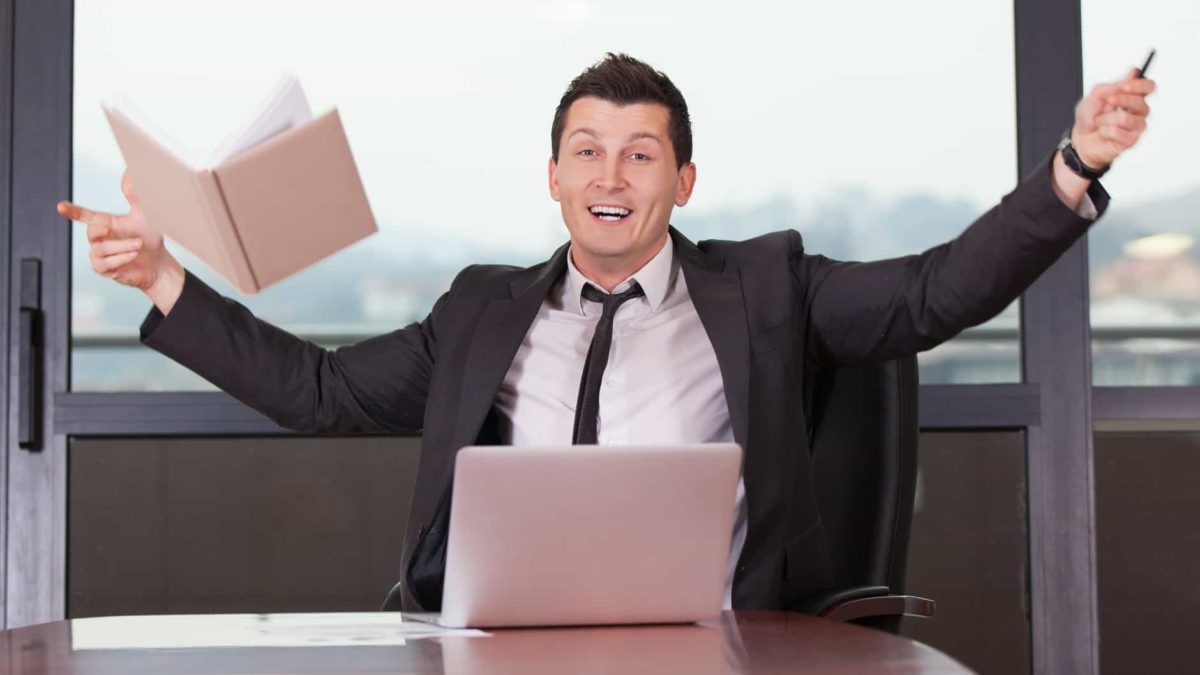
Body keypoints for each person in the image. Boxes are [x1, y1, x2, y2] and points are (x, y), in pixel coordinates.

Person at [56, 53, 1156, 612]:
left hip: (711, 639)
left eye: (640, 153)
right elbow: (323, 392)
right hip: (505, 642)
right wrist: (161, 277)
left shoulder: (765, 289)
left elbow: (934, 294)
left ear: (683, 180)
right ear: (553, 177)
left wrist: (1075, 167)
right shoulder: (481, 310)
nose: (611, 176)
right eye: (586, 151)